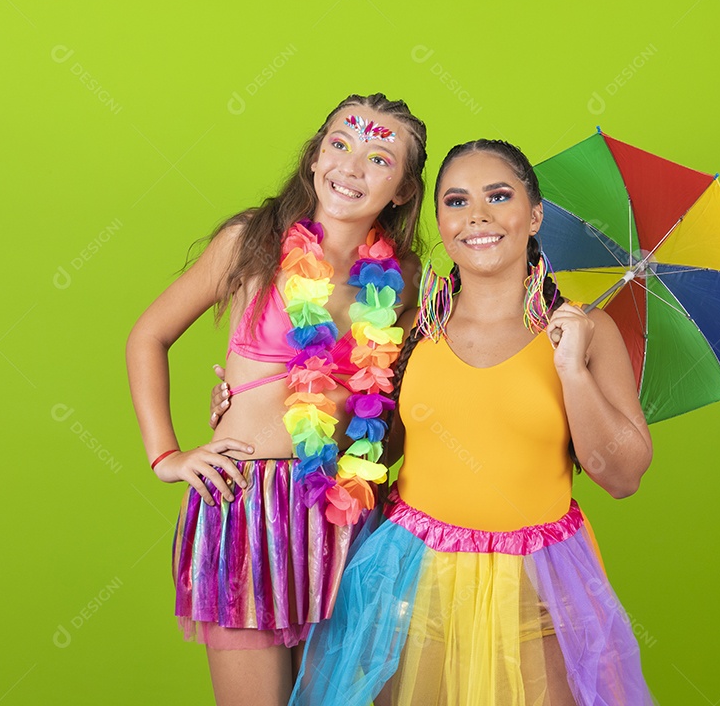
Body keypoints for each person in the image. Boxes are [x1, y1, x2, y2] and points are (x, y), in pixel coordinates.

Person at [281, 139, 656, 704]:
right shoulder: (408, 327)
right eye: (456, 201)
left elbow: (622, 477)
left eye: (497, 196)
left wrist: (571, 371)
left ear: (534, 216)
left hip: (538, 584)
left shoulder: (585, 331)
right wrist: (245, 400)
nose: (476, 215)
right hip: (411, 578)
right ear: (440, 221)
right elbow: (365, 453)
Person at [125, 93, 426, 706]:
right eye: (339, 145)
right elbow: (147, 336)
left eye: (379, 158)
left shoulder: (403, 279)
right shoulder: (251, 244)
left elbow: (399, 414)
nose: (351, 167)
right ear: (314, 158)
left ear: (401, 191)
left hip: (347, 513)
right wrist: (168, 456)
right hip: (246, 509)